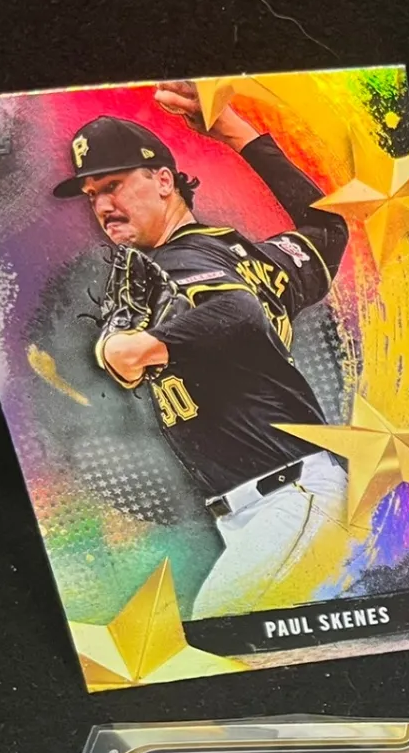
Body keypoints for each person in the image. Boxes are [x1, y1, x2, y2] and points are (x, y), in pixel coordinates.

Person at [56, 80, 352, 618]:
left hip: (289, 500)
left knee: (216, 635)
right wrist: (233, 131)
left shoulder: (182, 261)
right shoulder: (243, 256)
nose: (102, 205)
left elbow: (239, 313)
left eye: (114, 185)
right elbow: (326, 227)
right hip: (274, 507)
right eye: (91, 193)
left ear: (163, 180)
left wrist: (143, 343)